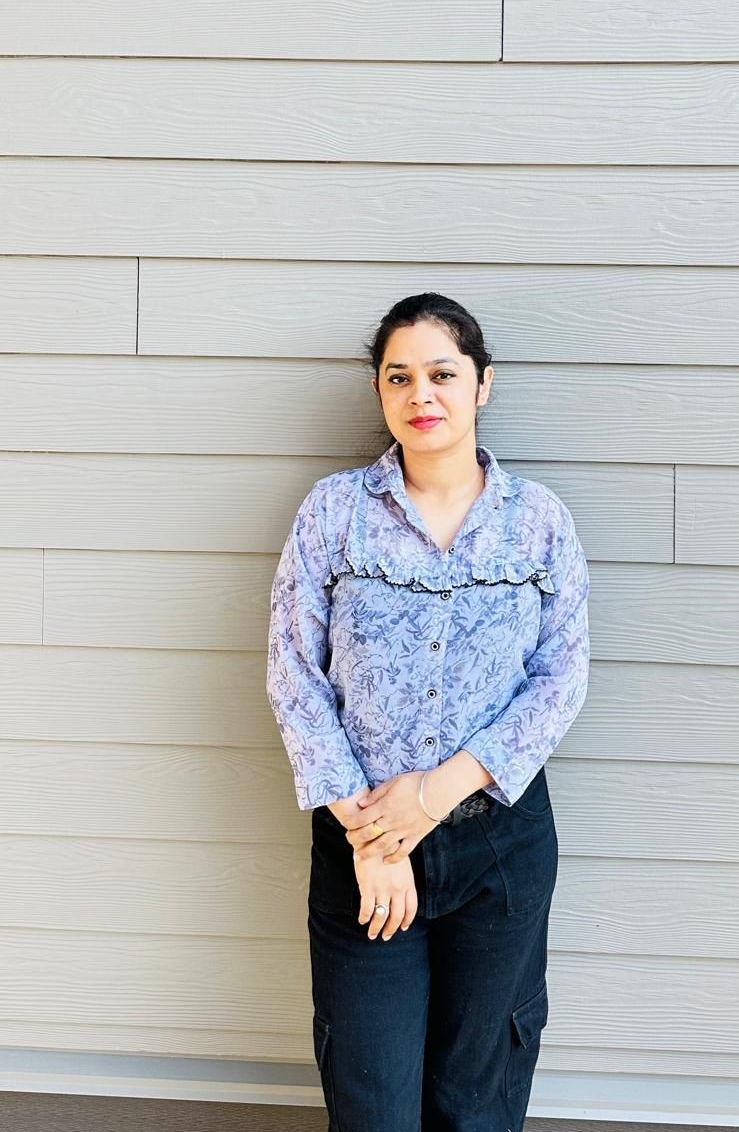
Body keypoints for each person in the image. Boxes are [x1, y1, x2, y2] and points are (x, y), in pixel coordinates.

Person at [266, 291, 592, 1132]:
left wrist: (433, 794)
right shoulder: (333, 515)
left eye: (443, 374)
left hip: (498, 848)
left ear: (483, 385)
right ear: (379, 392)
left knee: (478, 1101)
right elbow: (294, 675)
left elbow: (559, 681)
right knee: (372, 1103)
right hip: (361, 848)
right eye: (399, 376)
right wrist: (373, 835)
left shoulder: (540, 524)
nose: (423, 395)